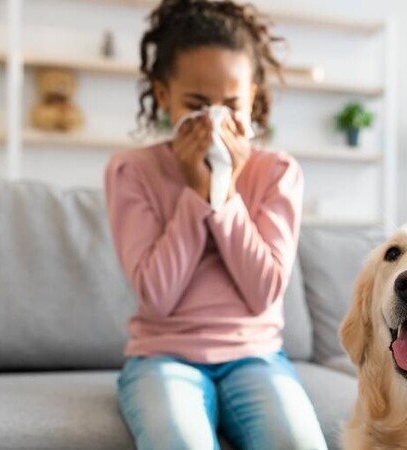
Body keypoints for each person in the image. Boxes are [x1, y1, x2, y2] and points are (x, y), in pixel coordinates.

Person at [103, 1, 327, 448]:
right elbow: (157, 297)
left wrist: (222, 194)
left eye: (231, 105)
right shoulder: (132, 172)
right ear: (164, 96)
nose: (215, 120)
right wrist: (194, 192)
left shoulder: (277, 173)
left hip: (256, 357)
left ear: (254, 100)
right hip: (162, 357)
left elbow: (264, 291)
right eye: (197, 103)